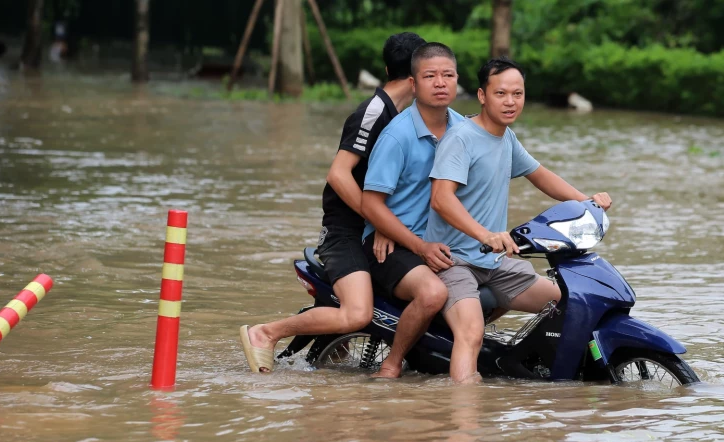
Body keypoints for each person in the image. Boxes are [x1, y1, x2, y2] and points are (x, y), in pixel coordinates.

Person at [238, 32, 427, 373]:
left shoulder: (408, 117)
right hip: (347, 233)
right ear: (418, 75)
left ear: (387, 67)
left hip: (378, 229)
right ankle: (266, 332)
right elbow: (339, 175)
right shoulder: (373, 112)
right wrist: (379, 219)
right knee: (358, 313)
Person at [427, 57, 612, 384]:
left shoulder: (505, 137)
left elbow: (541, 175)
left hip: (493, 261)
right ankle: (460, 425)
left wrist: (587, 201)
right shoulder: (461, 138)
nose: (511, 102)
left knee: (567, 303)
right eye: (501, 94)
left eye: (518, 94)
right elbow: (441, 199)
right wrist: (485, 234)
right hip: (454, 261)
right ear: (483, 96)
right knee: (470, 334)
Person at [359, 42, 465, 378]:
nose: (439, 82)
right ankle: (391, 364)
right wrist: (395, 234)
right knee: (433, 294)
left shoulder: (465, 130)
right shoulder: (396, 136)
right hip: (393, 243)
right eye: (430, 76)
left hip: (442, 240)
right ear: (414, 83)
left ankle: (441, 348)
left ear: (457, 81)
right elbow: (370, 203)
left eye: (447, 75)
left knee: (500, 282)